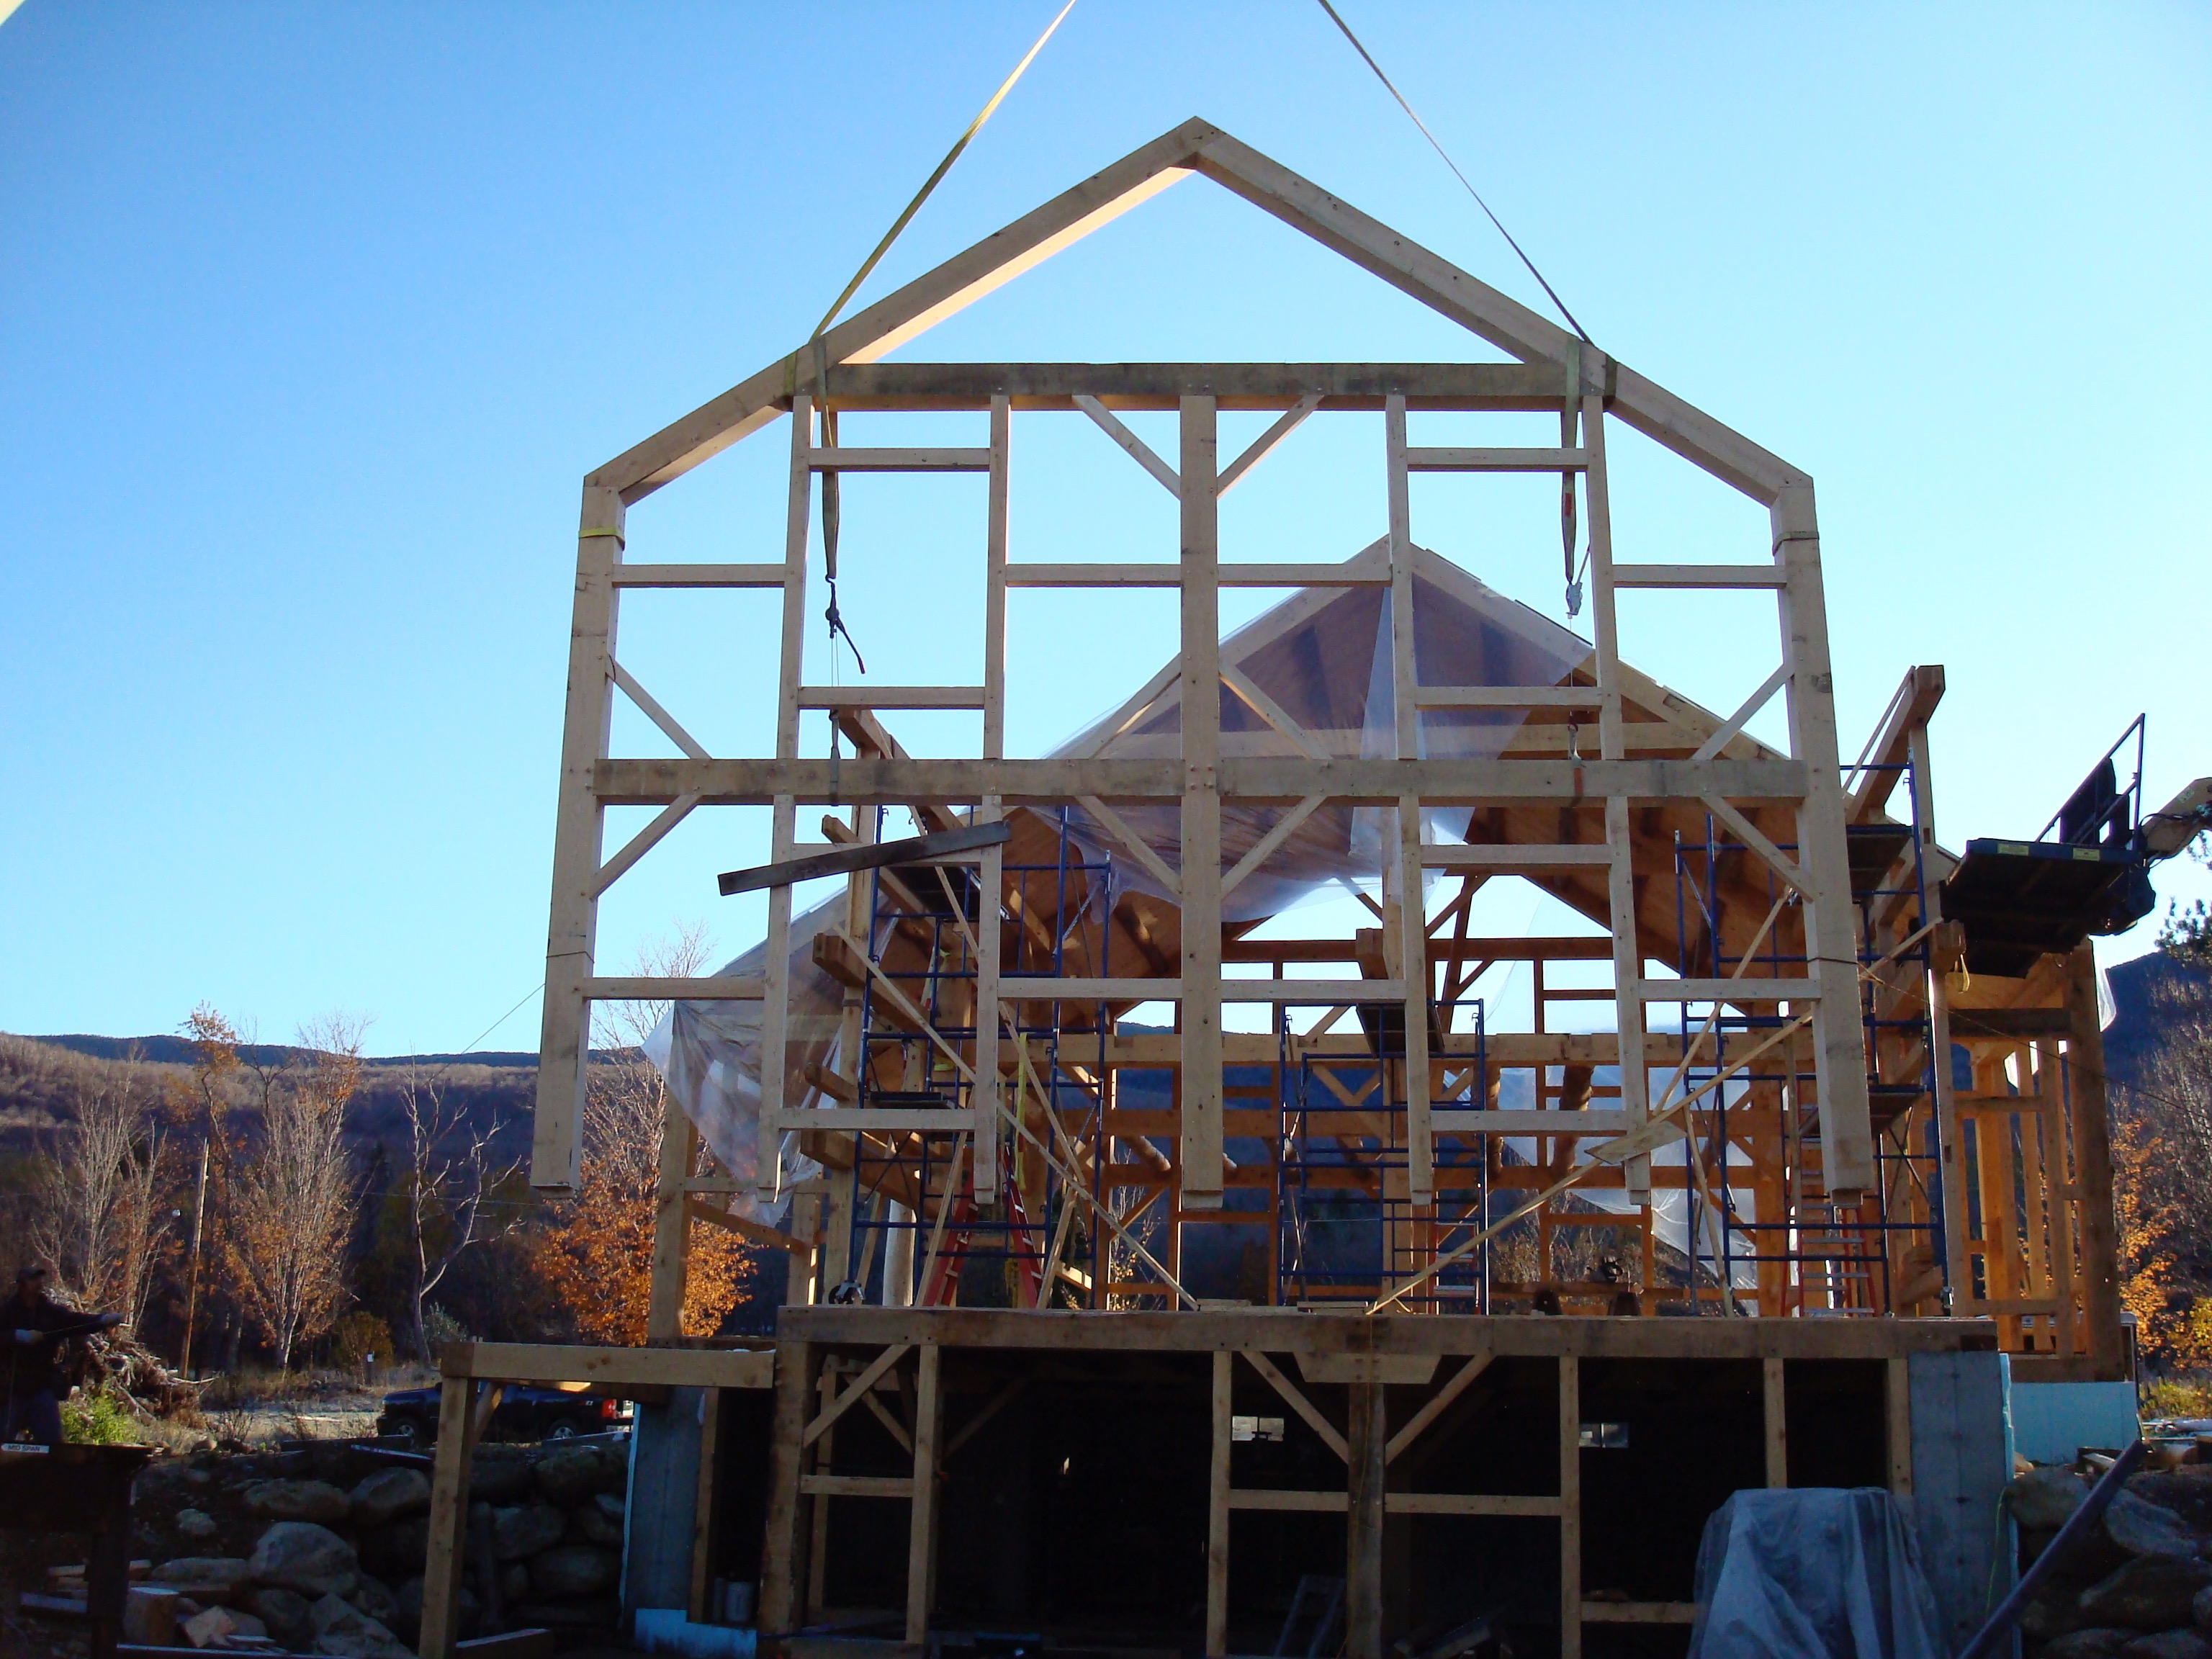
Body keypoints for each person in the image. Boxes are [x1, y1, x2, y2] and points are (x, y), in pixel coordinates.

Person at [4, 1264, 125, 1447]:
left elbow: (76, 1322)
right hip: (11, 1388)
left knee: (53, 1445)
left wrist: (102, 1321)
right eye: (33, 1279)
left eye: (39, 1279)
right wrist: (17, 1336)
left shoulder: (50, 1312)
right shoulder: (7, 1311)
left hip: (40, 1386)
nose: (38, 1283)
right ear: (22, 1284)